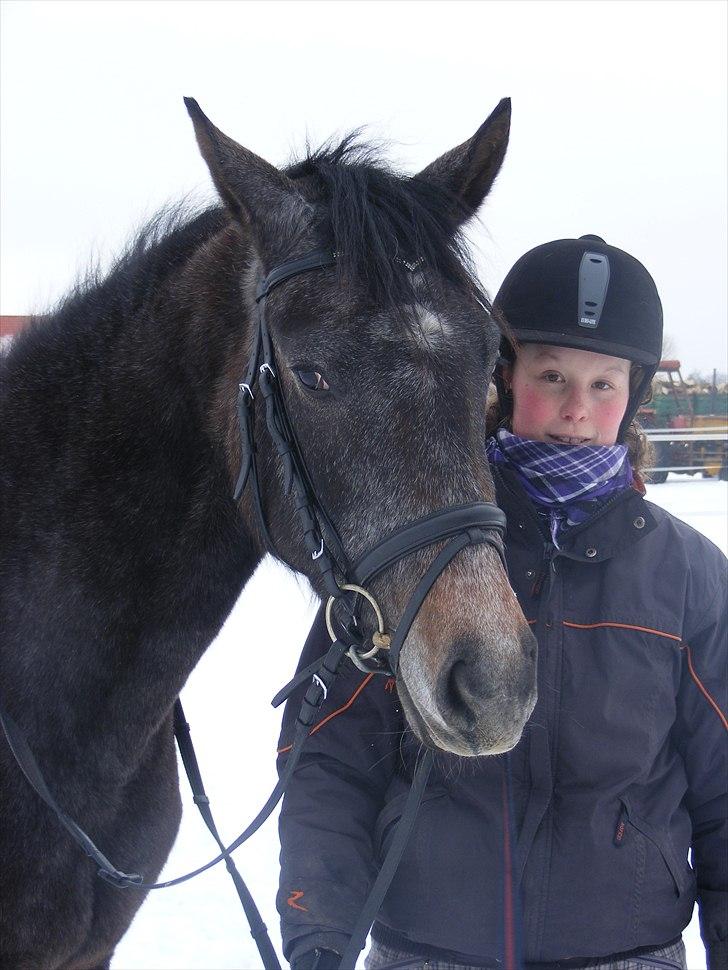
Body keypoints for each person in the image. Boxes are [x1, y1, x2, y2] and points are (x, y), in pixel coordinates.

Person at [275, 235, 727, 970]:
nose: (576, 409)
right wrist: (319, 933)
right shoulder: (412, 552)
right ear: (504, 378)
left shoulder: (691, 577)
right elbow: (331, 756)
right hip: (428, 949)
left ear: (633, 396)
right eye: (552, 375)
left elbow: (722, 790)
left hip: (628, 952)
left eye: (603, 384)